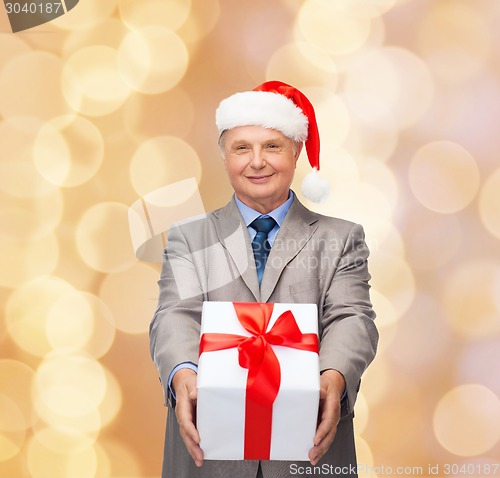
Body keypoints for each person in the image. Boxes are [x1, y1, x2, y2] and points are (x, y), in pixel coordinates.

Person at [149, 81, 378, 478]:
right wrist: (183, 373)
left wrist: (334, 376)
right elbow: (174, 315)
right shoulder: (191, 236)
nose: (257, 162)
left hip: (308, 448)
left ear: (296, 152)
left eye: (272, 146)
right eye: (242, 148)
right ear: (224, 157)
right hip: (209, 448)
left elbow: (352, 317)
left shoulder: (340, 238)